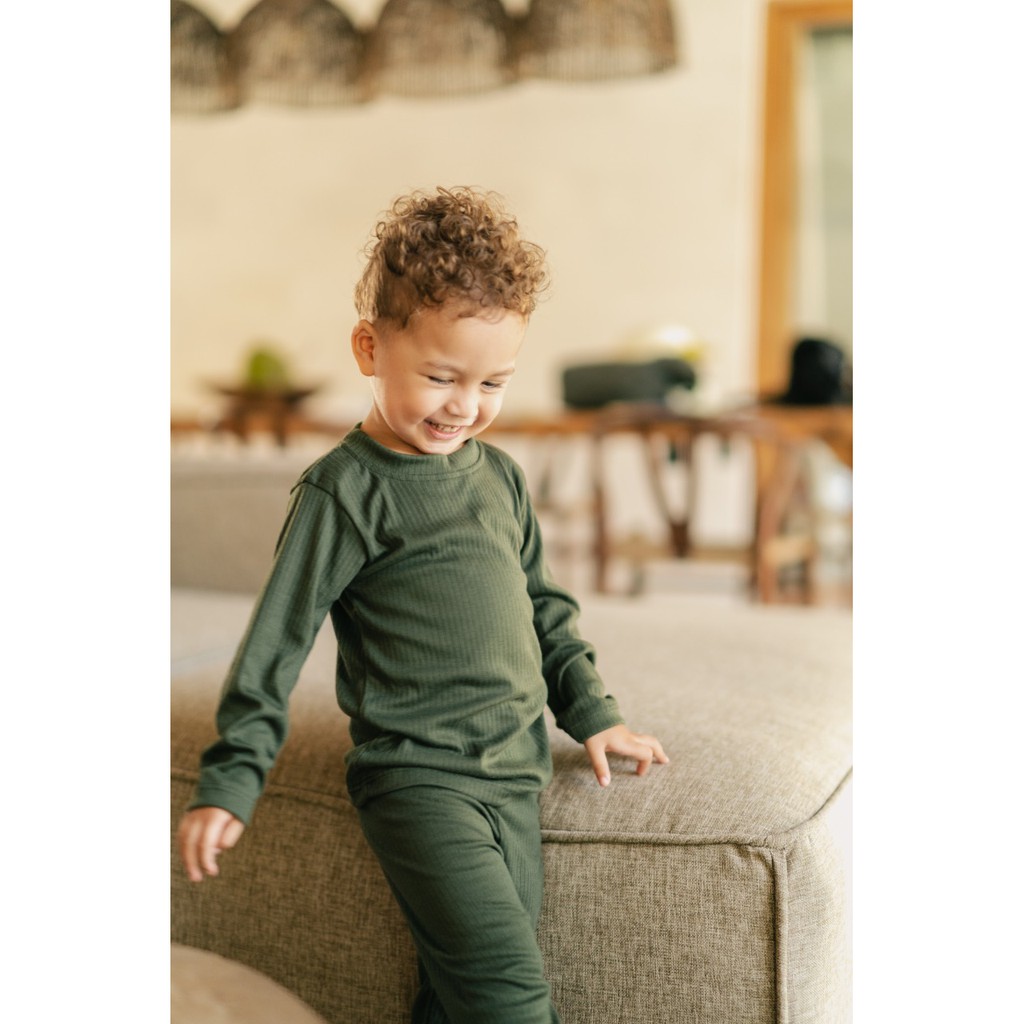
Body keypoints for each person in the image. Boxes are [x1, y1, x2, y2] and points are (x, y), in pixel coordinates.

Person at [177, 186, 669, 1024]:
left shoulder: (500, 478)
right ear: (370, 348)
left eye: (493, 383)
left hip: (513, 776)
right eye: (440, 377)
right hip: (420, 783)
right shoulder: (345, 491)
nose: (465, 406)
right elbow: (275, 643)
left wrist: (594, 713)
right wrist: (231, 778)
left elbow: (546, 610)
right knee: (510, 998)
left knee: (456, 999)